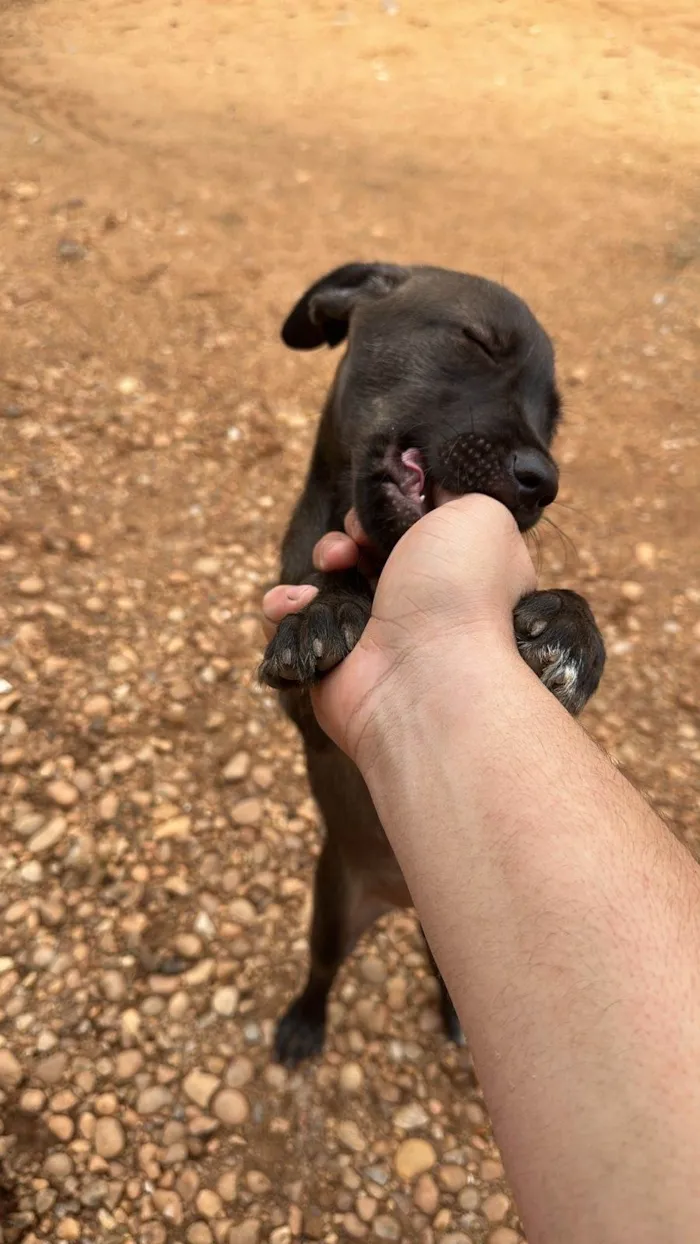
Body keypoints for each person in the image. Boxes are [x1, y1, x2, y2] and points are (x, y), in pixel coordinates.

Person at [262, 495, 700, 1244]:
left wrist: (534, 634)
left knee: (453, 954)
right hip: (361, 861)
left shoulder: (507, 607)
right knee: (328, 944)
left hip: (456, 875)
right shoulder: (328, 565)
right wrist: (346, 625)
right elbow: (303, 720)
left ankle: (450, 994)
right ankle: (316, 996)